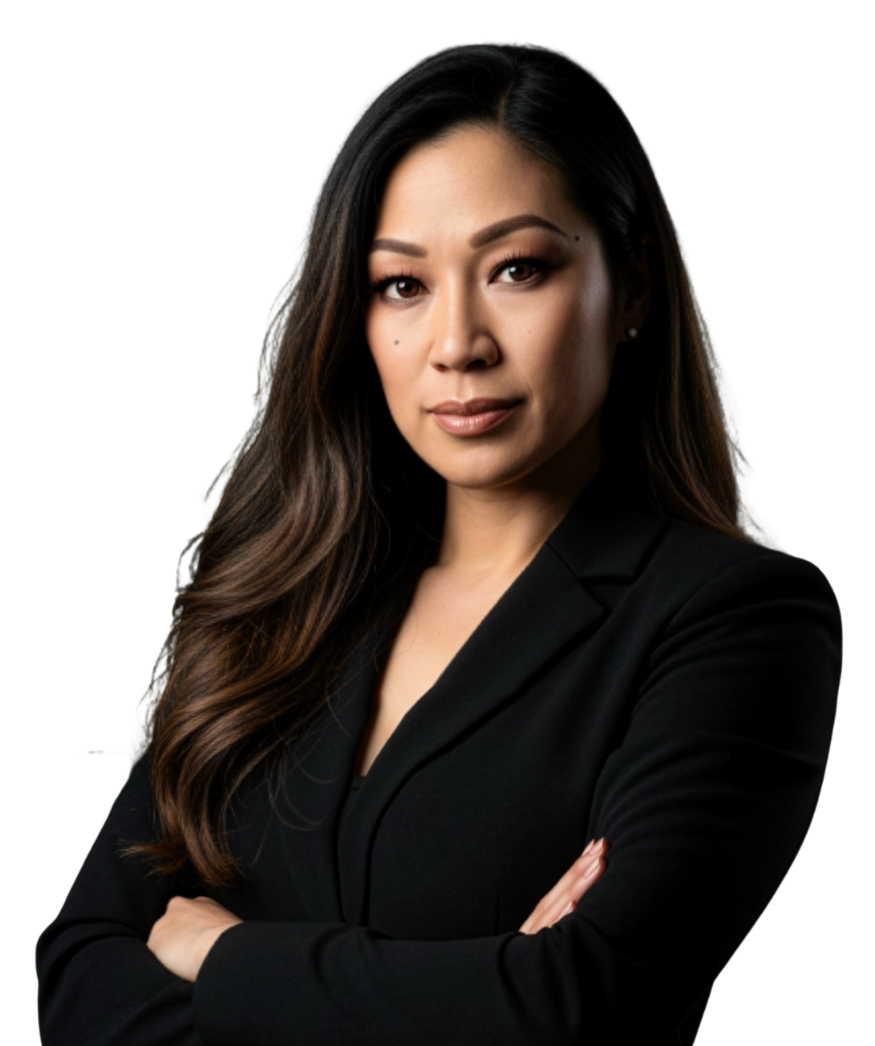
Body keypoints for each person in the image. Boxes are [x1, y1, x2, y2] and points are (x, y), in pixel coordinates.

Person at [36, 42, 841, 1045]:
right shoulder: (274, 596)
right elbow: (77, 984)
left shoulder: (732, 621)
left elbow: (578, 1004)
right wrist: (475, 987)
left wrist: (224, 954)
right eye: (400, 285)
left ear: (631, 287)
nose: (458, 343)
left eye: (517, 269)